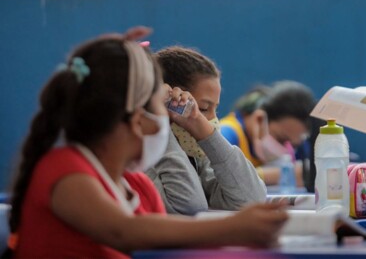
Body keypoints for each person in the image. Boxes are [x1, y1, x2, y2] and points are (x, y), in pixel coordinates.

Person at [5, 29, 287, 258]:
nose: (166, 121)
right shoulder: (66, 170)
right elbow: (123, 231)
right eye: (162, 109)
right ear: (137, 115)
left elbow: (172, 228)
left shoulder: (134, 185)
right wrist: (231, 228)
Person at [146, 46, 266, 215]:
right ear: (167, 102)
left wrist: (208, 135)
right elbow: (187, 206)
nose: (208, 120)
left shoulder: (195, 153)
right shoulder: (141, 155)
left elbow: (251, 199)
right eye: (203, 109)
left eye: (215, 109)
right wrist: (160, 121)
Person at [220, 81, 316, 187]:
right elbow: (218, 179)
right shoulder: (227, 135)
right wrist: (273, 175)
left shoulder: (297, 141)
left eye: (294, 145)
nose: (286, 150)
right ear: (260, 119)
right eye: (281, 139)